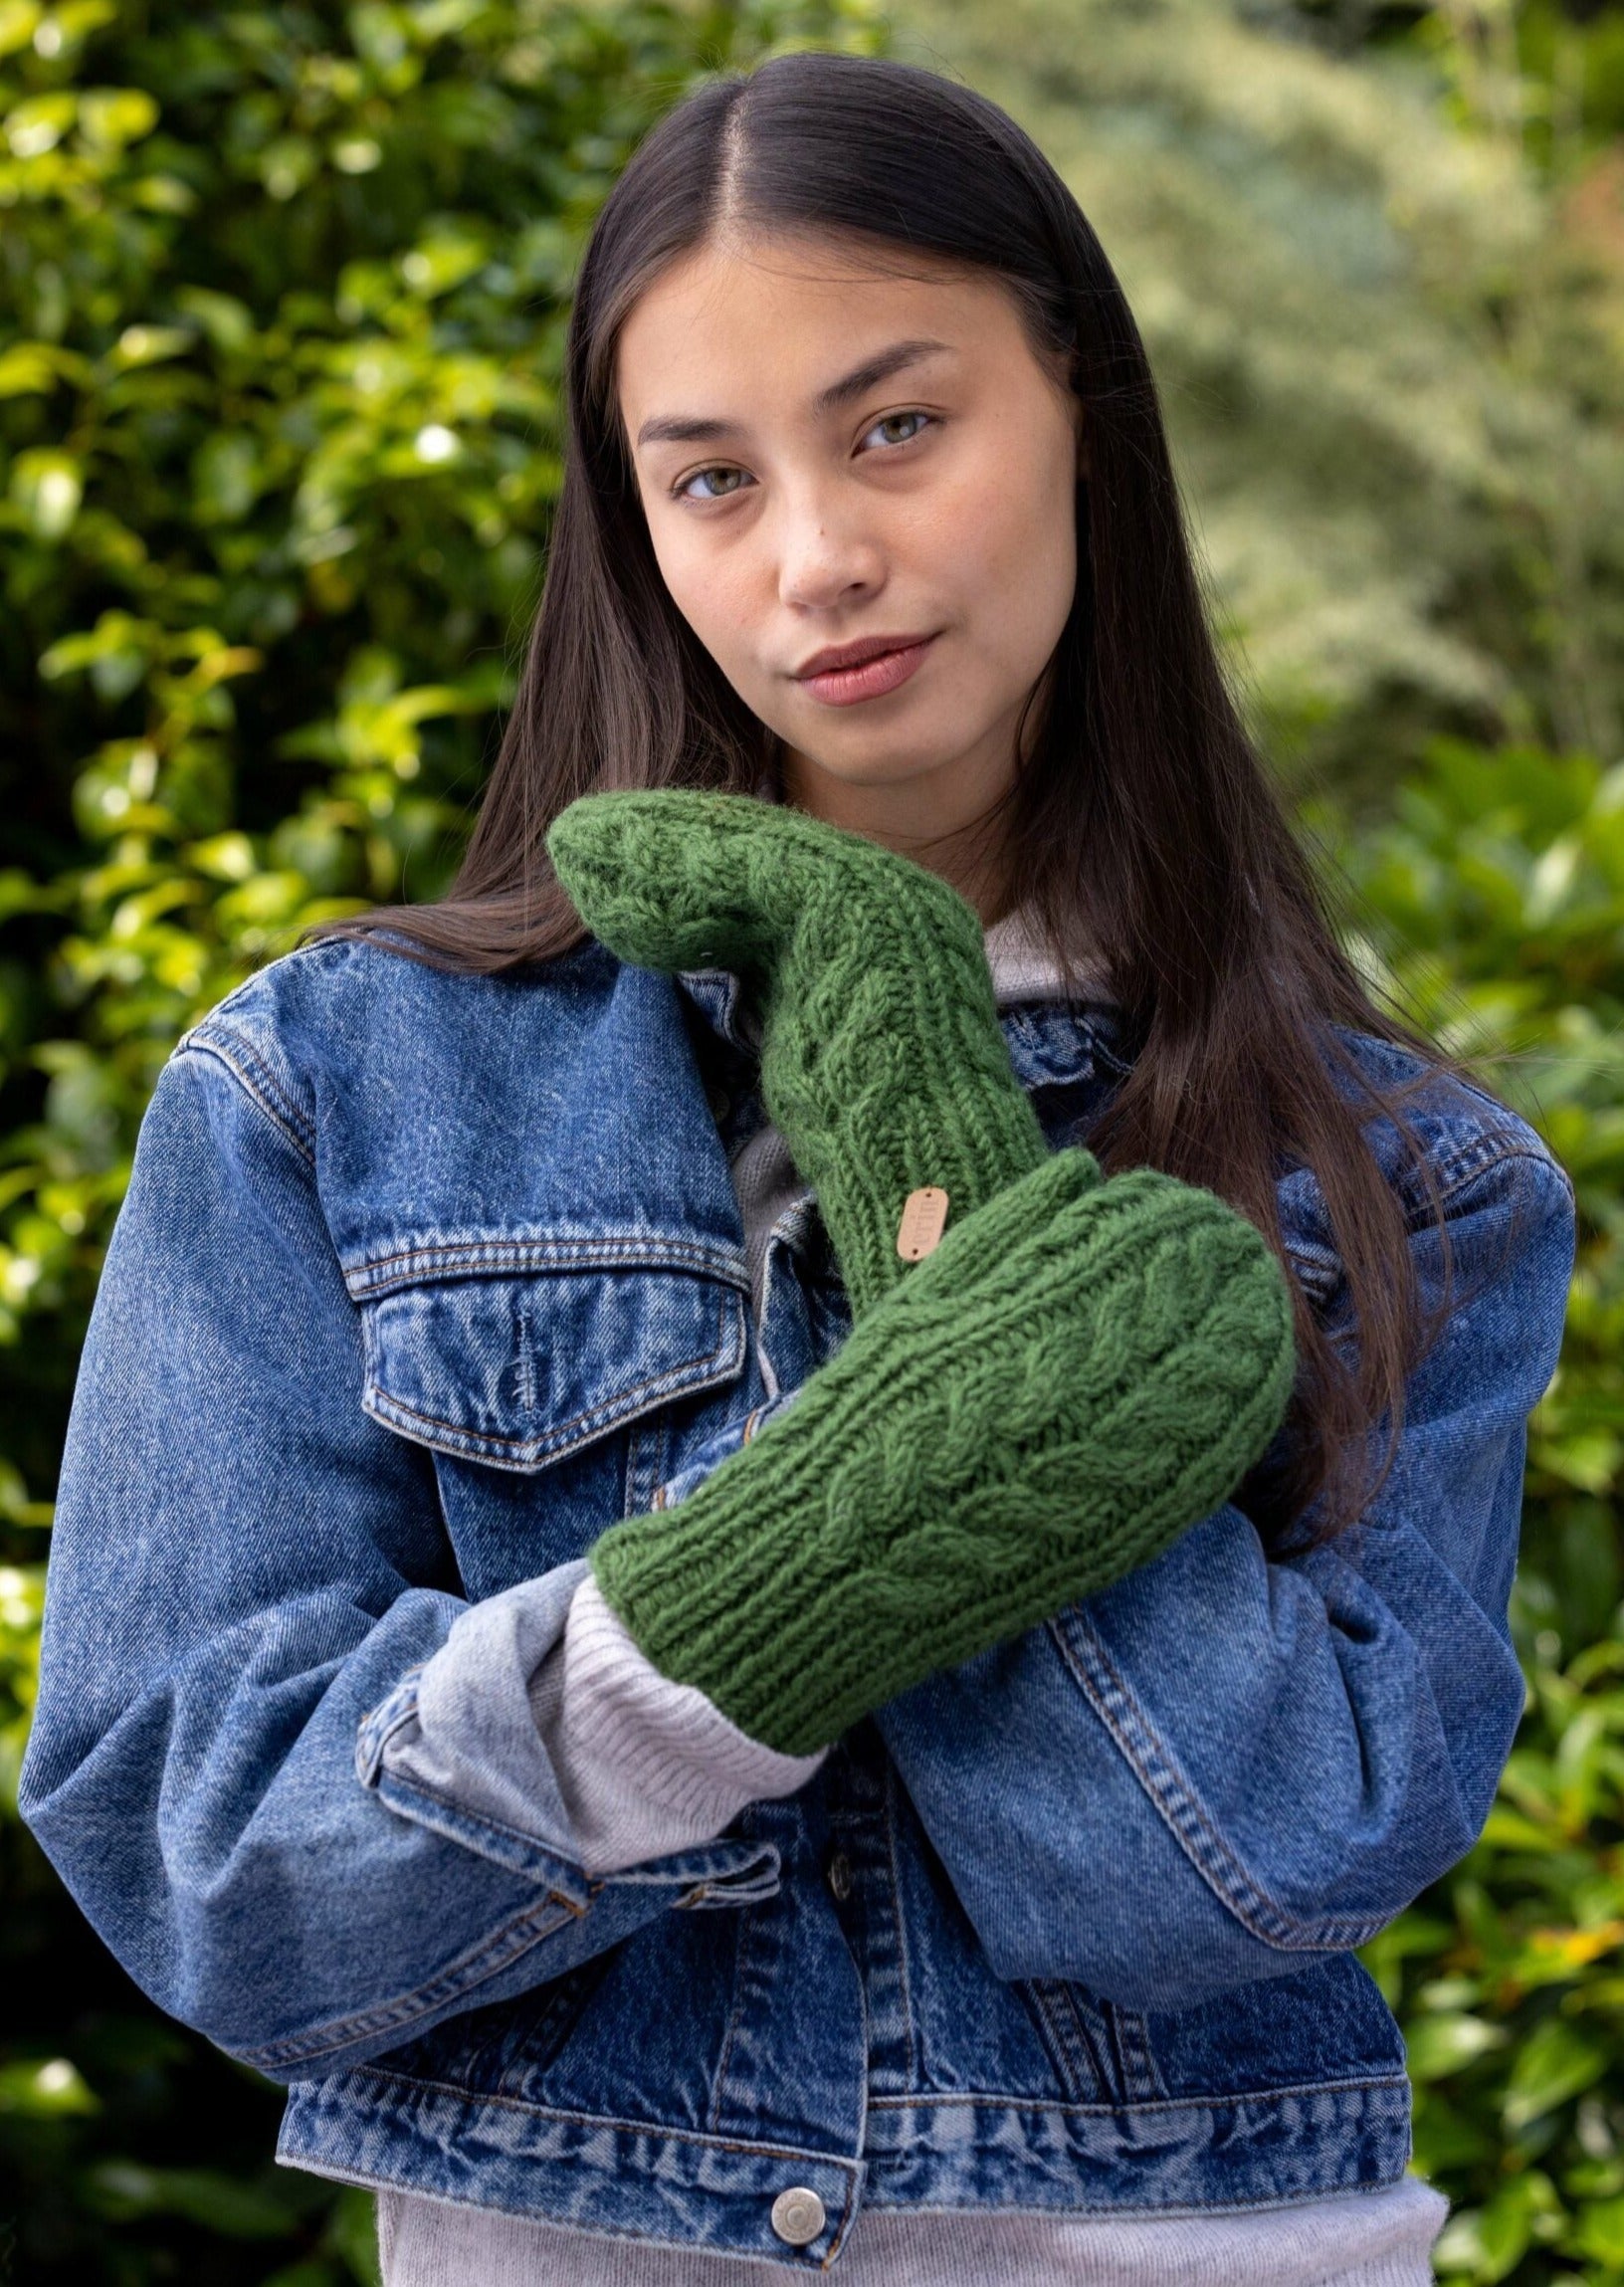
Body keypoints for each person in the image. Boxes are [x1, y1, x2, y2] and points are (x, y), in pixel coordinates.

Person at [20, 49, 1575, 2287]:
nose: (819, 555)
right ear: (632, 529)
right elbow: (212, 1873)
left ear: (1085, 416)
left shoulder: (1415, 1186)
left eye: (898, 427)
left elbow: (1244, 1873)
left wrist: (916, 1107)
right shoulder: (339, 1089)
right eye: (710, 482)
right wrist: (728, 1624)